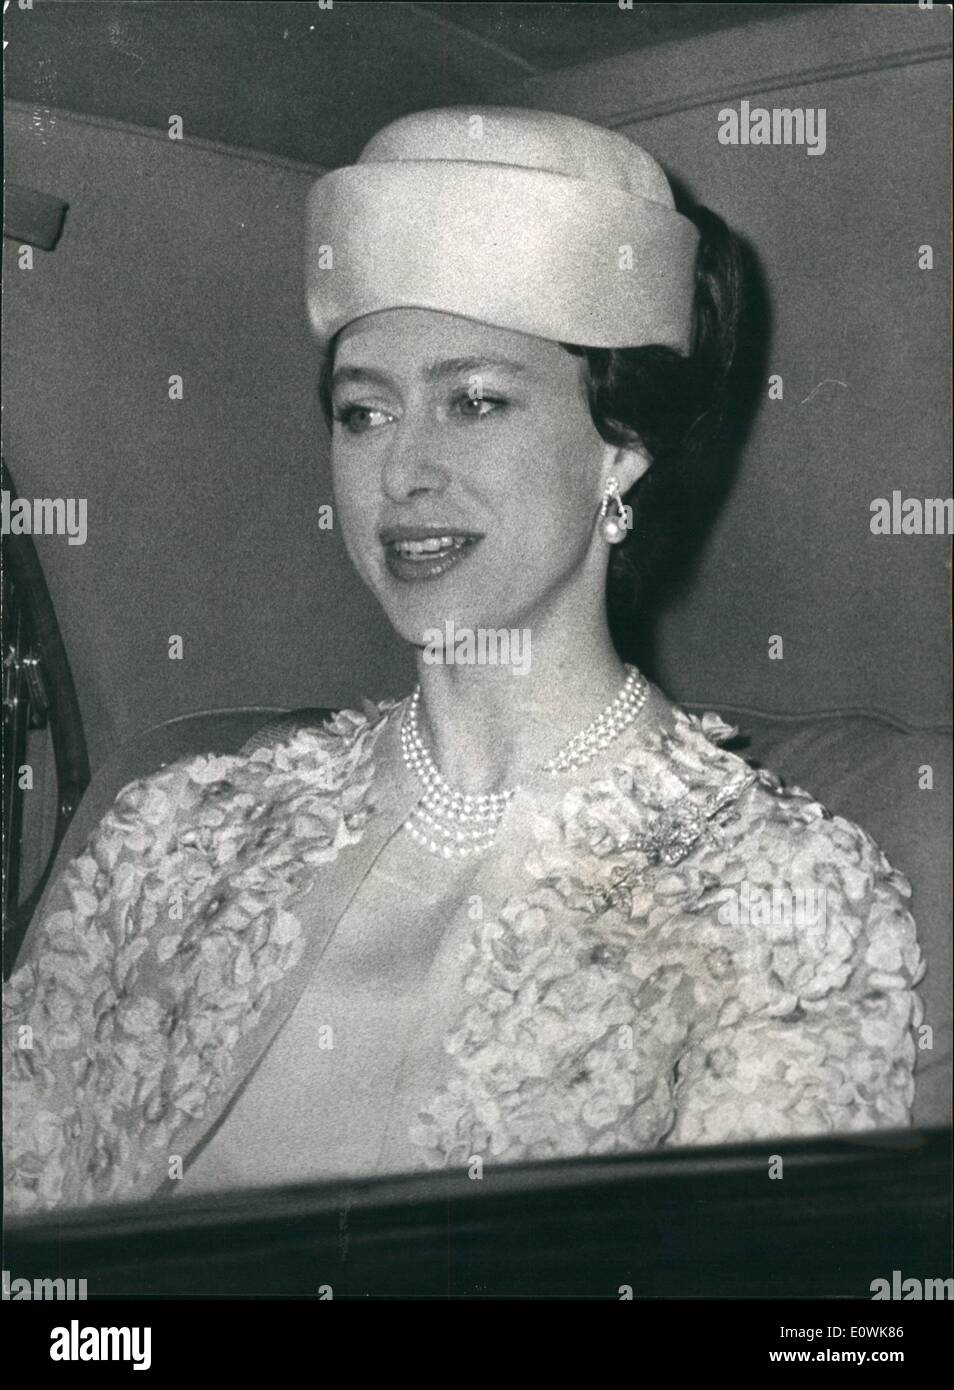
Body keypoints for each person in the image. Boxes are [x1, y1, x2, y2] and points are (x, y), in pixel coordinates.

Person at [2, 107, 924, 1214]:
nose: (403, 471)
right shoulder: (166, 835)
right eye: (363, 411)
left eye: (474, 400)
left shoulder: (778, 900)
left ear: (620, 449)